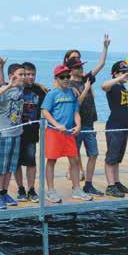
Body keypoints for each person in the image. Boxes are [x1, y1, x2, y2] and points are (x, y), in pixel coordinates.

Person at [64, 35, 110, 195]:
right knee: (74, 157)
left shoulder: (86, 79)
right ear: (71, 69)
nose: (81, 69)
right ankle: (76, 186)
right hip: (76, 125)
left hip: (89, 123)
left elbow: (101, 64)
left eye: (81, 66)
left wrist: (105, 47)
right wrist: (85, 89)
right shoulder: (68, 84)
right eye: (77, 67)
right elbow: (76, 104)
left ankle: (88, 184)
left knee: (93, 154)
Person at [41, 64, 89, 203]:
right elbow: (45, 111)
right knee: (51, 161)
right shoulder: (52, 94)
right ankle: (50, 191)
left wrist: (78, 125)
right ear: (57, 78)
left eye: (68, 76)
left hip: (68, 132)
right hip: (54, 132)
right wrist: (56, 124)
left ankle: (76, 189)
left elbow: (75, 112)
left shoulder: (72, 93)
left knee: (74, 160)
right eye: (62, 77)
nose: (66, 79)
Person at [0, 61, 25, 210]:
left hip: (17, 132)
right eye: (20, 74)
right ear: (12, 77)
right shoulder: (5, 90)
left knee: (11, 166)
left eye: (24, 74)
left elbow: (30, 81)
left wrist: (2, 68)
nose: (23, 77)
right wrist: (8, 85)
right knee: (1, 166)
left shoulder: (21, 88)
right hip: (3, 133)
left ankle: (4, 192)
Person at [15, 62, 47, 202]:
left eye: (33, 74)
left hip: (32, 131)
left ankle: (31, 189)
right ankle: (20, 188)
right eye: (27, 74)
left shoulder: (39, 91)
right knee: (16, 163)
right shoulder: (15, 87)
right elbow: (2, 84)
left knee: (31, 162)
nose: (31, 77)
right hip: (15, 131)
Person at [101, 61, 128, 197]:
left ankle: (116, 182)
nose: (126, 74)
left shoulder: (123, 88)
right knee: (111, 157)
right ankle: (110, 185)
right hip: (114, 126)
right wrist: (119, 78)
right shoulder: (113, 87)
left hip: (123, 127)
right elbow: (103, 86)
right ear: (115, 74)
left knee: (118, 157)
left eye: (127, 72)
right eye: (122, 72)